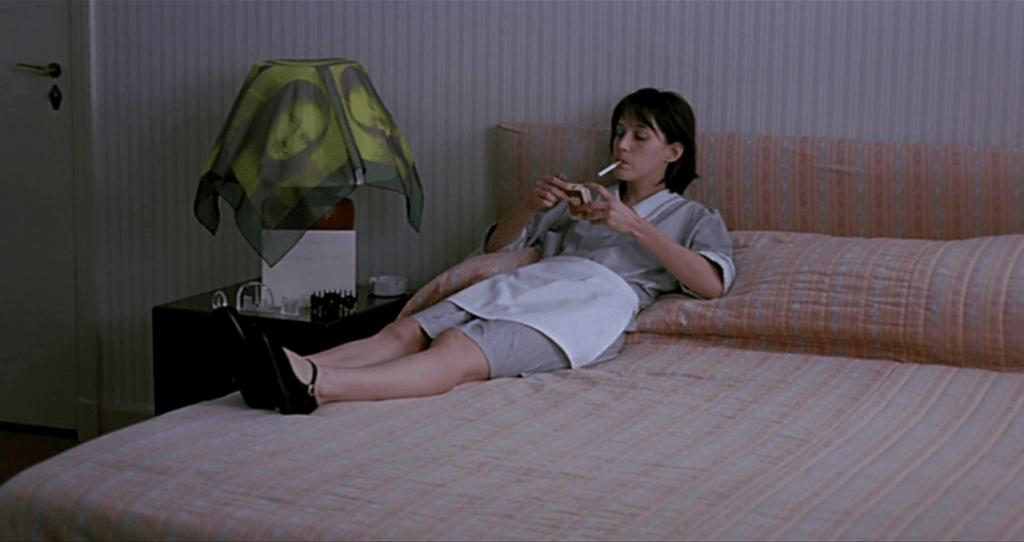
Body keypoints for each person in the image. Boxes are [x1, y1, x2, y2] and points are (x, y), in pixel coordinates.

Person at [216, 88, 735, 415]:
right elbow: (497, 247)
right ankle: (284, 368)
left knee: (457, 349)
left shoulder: (695, 216)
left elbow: (711, 284)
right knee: (405, 331)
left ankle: (318, 386)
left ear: (673, 151)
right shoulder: (585, 198)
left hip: (591, 305)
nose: (621, 145)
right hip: (535, 280)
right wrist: (529, 206)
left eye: (640, 136)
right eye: (619, 133)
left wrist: (633, 225)